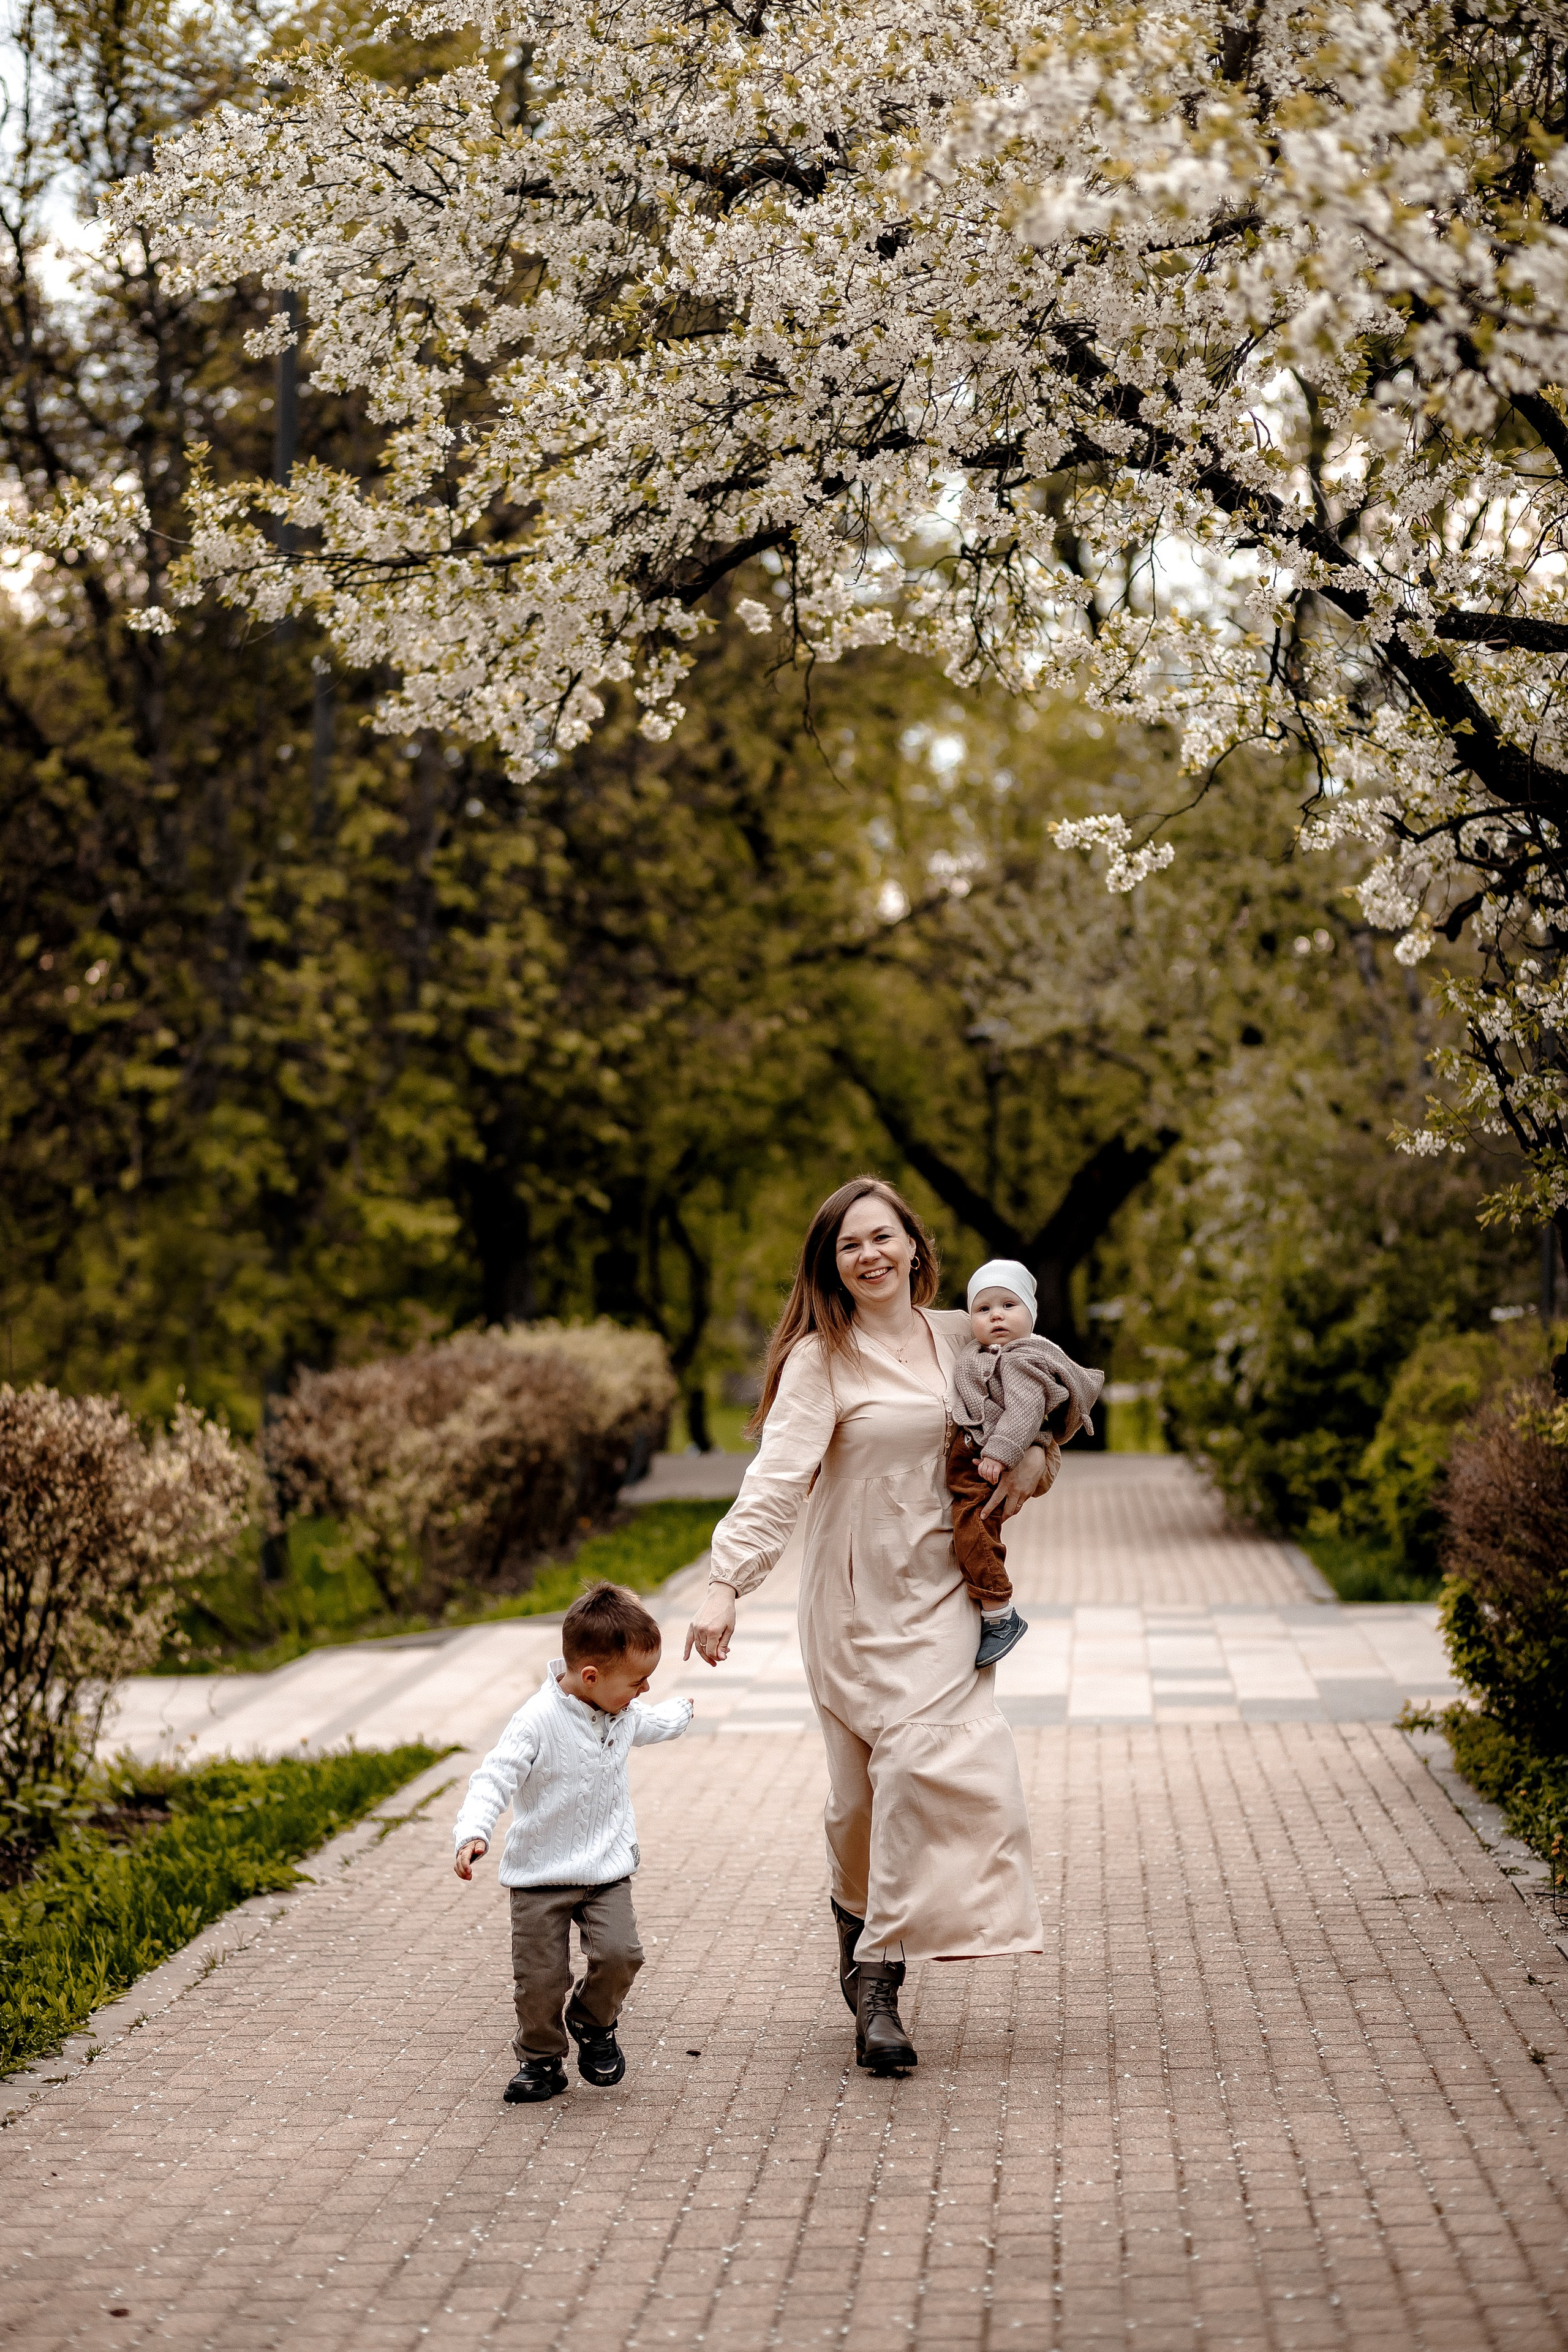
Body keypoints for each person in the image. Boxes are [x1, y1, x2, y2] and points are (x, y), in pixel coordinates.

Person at [684, 1176, 1055, 2079]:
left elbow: (1041, 1416)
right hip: (853, 1605)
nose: (871, 1255)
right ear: (834, 1265)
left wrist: (1036, 1465)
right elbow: (777, 1479)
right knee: (859, 1804)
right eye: (851, 1245)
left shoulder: (967, 1337)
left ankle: (880, 1986)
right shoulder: (823, 1360)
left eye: (884, 1237)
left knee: (923, 1767)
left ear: (916, 1248)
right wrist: (725, 1581)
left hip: (944, 1596)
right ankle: (856, 1921)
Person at [452, 1581, 692, 2104]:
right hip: (540, 1876)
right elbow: (494, 1778)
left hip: (606, 1871)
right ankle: (541, 2063)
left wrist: (683, 1712)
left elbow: (650, 1722)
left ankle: (592, 2020)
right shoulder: (536, 1722)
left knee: (622, 1954)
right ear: (590, 1676)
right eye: (638, 1681)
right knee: (540, 1982)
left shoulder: (621, 1712)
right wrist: (473, 1831)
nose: (643, 1692)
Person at [948, 1257, 1104, 1669]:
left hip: (991, 1461)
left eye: (1008, 1306)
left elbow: (1024, 1410)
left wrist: (1001, 1454)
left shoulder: (1023, 1359)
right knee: (973, 1527)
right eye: (983, 1309)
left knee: (975, 1526)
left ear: (1031, 1315)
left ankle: (1000, 1614)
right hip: (978, 1457)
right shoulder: (978, 1354)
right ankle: (992, 1606)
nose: (996, 1315)